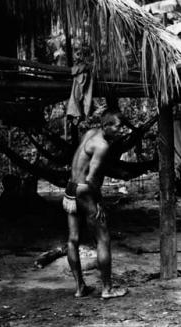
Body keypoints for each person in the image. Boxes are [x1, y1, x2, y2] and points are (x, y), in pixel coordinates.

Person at [63, 111, 128, 299]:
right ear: (106, 125)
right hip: (85, 191)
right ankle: (107, 289)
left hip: (71, 188)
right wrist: (98, 201)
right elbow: (91, 178)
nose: (120, 130)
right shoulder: (102, 145)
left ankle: (80, 288)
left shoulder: (90, 133)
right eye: (117, 126)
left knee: (73, 239)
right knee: (103, 238)